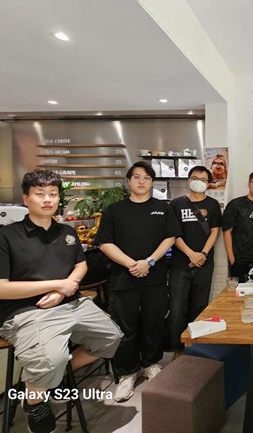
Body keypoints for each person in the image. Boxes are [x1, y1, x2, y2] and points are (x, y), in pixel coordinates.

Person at [0, 169, 122, 433]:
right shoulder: (2, 239)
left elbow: (80, 265)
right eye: (40, 194)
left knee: (111, 337)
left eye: (53, 194)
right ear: (25, 198)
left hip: (70, 303)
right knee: (51, 359)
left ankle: (48, 381)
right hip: (26, 312)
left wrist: (65, 290)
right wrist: (57, 285)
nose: (47, 199)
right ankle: (35, 402)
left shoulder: (66, 232)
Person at [95, 161, 180, 402]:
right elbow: (104, 243)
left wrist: (149, 262)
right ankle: (127, 373)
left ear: (152, 182)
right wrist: (132, 264)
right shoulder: (115, 210)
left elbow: (170, 237)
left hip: (154, 277)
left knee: (154, 323)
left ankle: (150, 364)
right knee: (125, 327)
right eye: (137, 177)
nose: (142, 181)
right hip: (124, 279)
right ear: (129, 181)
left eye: (147, 178)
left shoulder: (163, 209)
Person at [168, 165, 222, 357]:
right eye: (196, 178)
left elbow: (215, 231)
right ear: (189, 180)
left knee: (200, 305)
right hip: (180, 264)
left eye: (204, 179)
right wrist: (190, 254)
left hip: (204, 263)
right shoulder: (176, 204)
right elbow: (173, 233)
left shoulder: (213, 205)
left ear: (209, 184)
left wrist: (202, 254)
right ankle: (177, 348)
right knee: (177, 307)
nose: (199, 182)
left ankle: (195, 346)